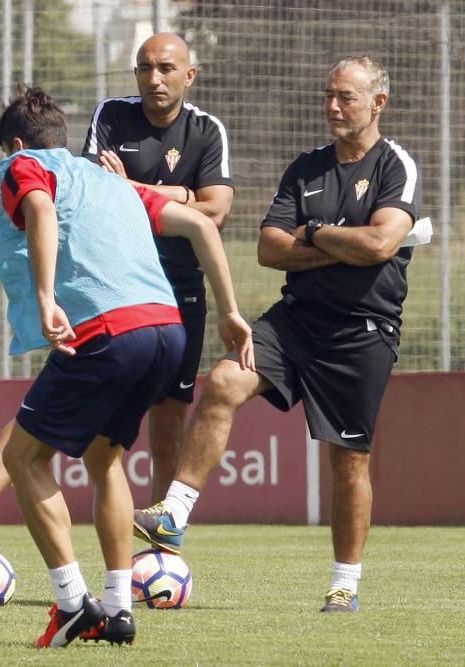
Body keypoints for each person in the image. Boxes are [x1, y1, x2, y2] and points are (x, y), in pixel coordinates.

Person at [0, 32, 233, 554]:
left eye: (164, 68)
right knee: (101, 456)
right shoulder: (111, 126)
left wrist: (45, 297)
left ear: (189, 75)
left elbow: (215, 211)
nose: (152, 78)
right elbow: (187, 214)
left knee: (41, 443)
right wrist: (183, 201)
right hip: (150, 313)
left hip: (134, 303)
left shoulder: (201, 133)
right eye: (143, 68)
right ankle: (117, 593)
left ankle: (84, 586)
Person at [133, 56, 420, 614]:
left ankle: (344, 581)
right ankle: (175, 513)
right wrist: (338, 243)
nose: (333, 107)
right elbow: (269, 249)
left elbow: (382, 246)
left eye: (346, 98)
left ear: (377, 103)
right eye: (328, 96)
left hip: (362, 331)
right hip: (294, 320)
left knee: (348, 460)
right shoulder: (305, 167)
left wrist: (312, 234)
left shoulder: (395, 165)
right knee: (222, 381)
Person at [0, 87, 252, 647]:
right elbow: (204, 225)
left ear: (15, 144)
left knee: (22, 457)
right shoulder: (112, 181)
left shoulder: (22, 166)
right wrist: (230, 311)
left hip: (109, 331)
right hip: (168, 331)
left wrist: (44, 298)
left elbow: (36, 207)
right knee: (105, 460)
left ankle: (71, 604)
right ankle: (117, 607)